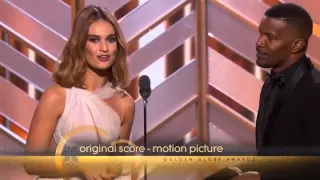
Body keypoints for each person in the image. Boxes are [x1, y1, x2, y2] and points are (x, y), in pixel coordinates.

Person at [205, 3, 320, 180]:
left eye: (270, 37)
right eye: (260, 34)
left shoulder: (314, 90)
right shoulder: (270, 84)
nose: (259, 43)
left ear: (297, 45)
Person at [24, 5, 135, 180]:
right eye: (94, 39)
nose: (104, 48)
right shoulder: (57, 97)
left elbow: (116, 166)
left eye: (111, 39)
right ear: (80, 45)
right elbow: (31, 164)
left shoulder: (125, 103)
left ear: (118, 45)